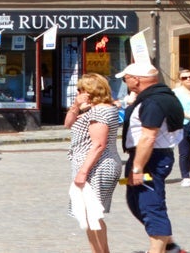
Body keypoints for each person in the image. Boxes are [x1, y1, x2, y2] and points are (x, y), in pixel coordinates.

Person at [118, 61, 187, 253]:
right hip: (152, 156)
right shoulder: (160, 95)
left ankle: (158, 249)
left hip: (150, 158)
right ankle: (170, 246)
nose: (125, 82)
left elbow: (148, 137)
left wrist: (137, 168)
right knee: (136, 203)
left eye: (126, 79)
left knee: (150, 206)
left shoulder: (153, 101)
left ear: (136, 80)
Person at [65, 74, 122, 253]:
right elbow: (68, 124)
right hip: (92, 165)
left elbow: (98, 145)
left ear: (90, 91)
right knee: (90, 215)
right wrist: (76, 106)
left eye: (81, 90)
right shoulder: (93, 109)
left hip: (97, 167)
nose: (79, 93)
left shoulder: (101, 111)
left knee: (92, 215)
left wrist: (83, 172)